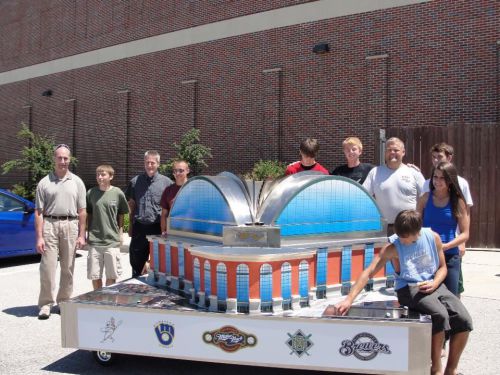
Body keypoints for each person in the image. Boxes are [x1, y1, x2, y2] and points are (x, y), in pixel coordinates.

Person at [335, 210, 472, 375]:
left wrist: (435, 282)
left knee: (464, 318)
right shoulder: (393, 247)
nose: (402, 241)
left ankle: (451, 370)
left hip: (433, 284)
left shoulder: (432, 237)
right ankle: (435, 368)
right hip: (408, 288)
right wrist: (349, 299)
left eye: (406, 238)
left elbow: (442, 268)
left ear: (418, 232)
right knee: (440, 315)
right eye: (399, 236)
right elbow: (368, 271)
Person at [35, 144, 86, 319]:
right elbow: (39, 212)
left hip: (70, 225)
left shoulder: (77, 182)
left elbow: (82, 211)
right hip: (50, 224)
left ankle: (64, 301)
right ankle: (46, 304)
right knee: (48, 267)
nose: (62, 161)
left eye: (65, 158)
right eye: (59, 158)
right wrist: (39, 237)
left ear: (69, 160)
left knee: (68, 267)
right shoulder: (44, 182)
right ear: (54, 159)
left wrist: (81, 234)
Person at [424, 142, 473, 296]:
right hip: (427, 254)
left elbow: (466, 222)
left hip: (451, 252)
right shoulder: (425, 193)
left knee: (451, 296)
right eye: (435, 178)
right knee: (428, 296)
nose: (437, 181)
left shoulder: (459, 194)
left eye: (439, 156)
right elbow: (416, 221)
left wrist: (457, 244)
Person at [363, 137, 425, 235]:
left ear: (403, 152)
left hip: (410, 227)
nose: (392, 152)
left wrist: (419, 217)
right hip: (384, 228)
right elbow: (364, 197)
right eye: (389, 150)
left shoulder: (414, 172)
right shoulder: (375, 172)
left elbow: (426, 197)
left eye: (396, 150)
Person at [125, 151, 172, 277]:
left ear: (158, 164)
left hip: (157, 227)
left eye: (152, 163)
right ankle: (136, 285)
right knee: (136, 262)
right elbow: (130, 206)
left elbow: (170, 208)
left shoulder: (167, 183)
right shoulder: (135, 181)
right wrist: (128, 226)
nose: (150, 165)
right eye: (147, 162)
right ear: (144, 163)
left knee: (159, 264)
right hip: (139, 227)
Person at [86, 165, 129, 290]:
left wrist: (120, 233)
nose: (100, 177)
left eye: (103, 174)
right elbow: (88, 213)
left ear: (111, 176)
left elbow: (122, 213)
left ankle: (108, 302)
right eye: (98, 174)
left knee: (112, 275)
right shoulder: (91, 193)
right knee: (95, 276)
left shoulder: (118, 193)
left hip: (112, 241)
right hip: (95, 241)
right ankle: (98, 300)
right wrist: (86, 233)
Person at [160, 160, 190, 235]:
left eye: (181, 171)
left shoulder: (194, 188)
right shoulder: (168, 190)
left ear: (187, 171)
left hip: (192, 232)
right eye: (175, 171)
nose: (177, 173)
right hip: (173, 232)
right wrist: (163, 231)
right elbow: (164, 214)